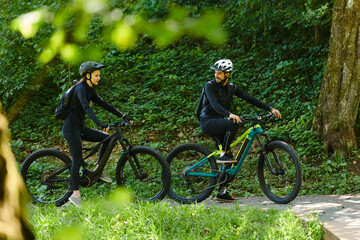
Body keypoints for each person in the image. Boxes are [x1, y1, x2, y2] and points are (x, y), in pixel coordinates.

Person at [199, 59, 281, 202]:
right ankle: (223, 153)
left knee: (231, 158)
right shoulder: (209, 86)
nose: (216, 75)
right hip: (208, 121)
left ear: (227, 75)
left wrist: (270, 109)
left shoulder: (232, 88)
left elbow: (249, 98)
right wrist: (230, 115)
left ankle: (221, 191)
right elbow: (214, 104)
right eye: (215, 72)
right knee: (233, 124)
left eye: (220, 73)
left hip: (220, 122)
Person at [62, 61, 133, 205]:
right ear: (87, 76)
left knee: (107, 139)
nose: (99, 78)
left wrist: (123, 116)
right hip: (71, 129)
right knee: (77, 159)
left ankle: (98, 171)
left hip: (80, 128)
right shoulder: (80, 89)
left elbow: (104, 104)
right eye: (96, 75)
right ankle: (75, 195)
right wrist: (99, 123)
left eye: (99, 75)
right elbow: (86, 108)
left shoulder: (90, 90)